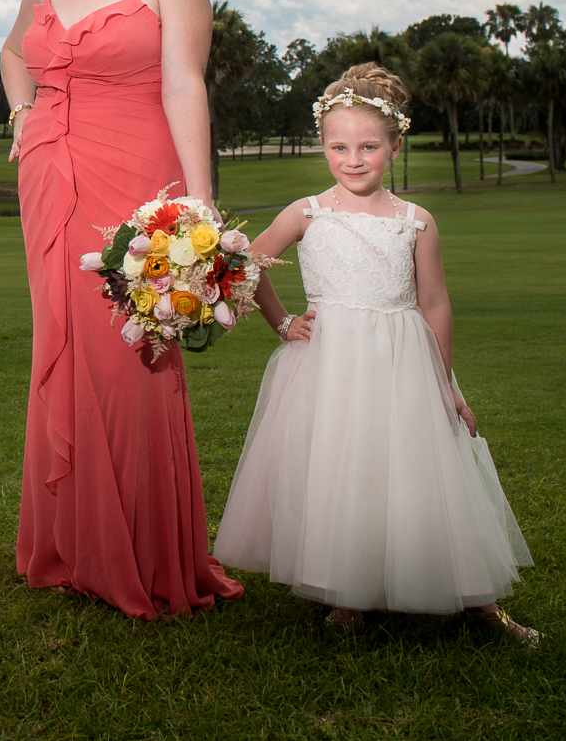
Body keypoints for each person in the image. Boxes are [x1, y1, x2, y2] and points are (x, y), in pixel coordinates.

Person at [1, 0, 246, 618]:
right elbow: (11, 53)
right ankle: (70, 545)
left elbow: (185, 85)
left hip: (135, 187)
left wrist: (200, 205)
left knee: (132, 358)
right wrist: (19, 114)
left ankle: (142, 549)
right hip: (48, 180)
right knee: (62, 353)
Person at [211, 63, 538, 643]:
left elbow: (435, 304)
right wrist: (282, 321)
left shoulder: (416, 222)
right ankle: (349, 594)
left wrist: (446, 385)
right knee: (343, 471)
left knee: (425, 472)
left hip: (402, 363)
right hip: (330, 365)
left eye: (368, 146)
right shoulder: (306, 213)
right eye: (339, 146)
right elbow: (244, 264)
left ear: (395, 145)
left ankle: (478, 601)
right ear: (323, 146)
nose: (353, 159)